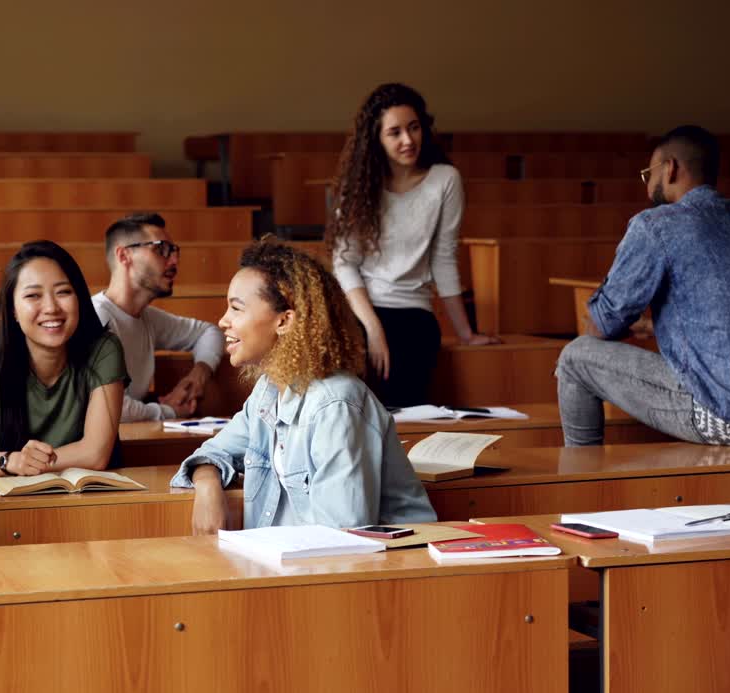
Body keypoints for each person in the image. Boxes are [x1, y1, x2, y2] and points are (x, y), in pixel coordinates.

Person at [555, 125, 730, 446]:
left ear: (670, 168)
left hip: (727, 416)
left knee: (576, 358)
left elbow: (602, 325)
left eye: (648, 174)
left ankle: (584, 482)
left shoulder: (657, 224)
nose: (647, 187)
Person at [172, 241, 437, 533]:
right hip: (298, 560)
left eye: (236, 308)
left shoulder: (334, 403)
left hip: (378, 568)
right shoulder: (268, 391)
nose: (223, 321)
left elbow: (343, 536)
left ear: (284, 321)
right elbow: (212, 451)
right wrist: (208, 485)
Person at [326, 82, 495, 408]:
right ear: (376, 139)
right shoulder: (358, 188)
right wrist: (373, 328)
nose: (408, 140)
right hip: (361, 312)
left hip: (414, 313)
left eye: (414, 128)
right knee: (352, 404)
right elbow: (345, 263)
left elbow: (444, 259)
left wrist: (466, 333)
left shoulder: (445, 180)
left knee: (406, 408)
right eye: (395, 132)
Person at [0, 240, 127, 478]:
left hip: (89, 498)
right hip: (10, 500)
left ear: (79, 299)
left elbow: (96, 454)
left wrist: (30, 464)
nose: (51, 307)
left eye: (63, 292)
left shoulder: (104, 349)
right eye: (33, 295)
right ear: (13, 309)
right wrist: (13, 461)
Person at [92, 213, 224, 421]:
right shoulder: (97, 318)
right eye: (161, 249)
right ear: (124, 256)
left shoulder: (148, 318)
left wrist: (199, 374)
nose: (174, 261)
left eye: (173, 251)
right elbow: (110, 407)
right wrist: (169, 411)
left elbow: (210, 332)